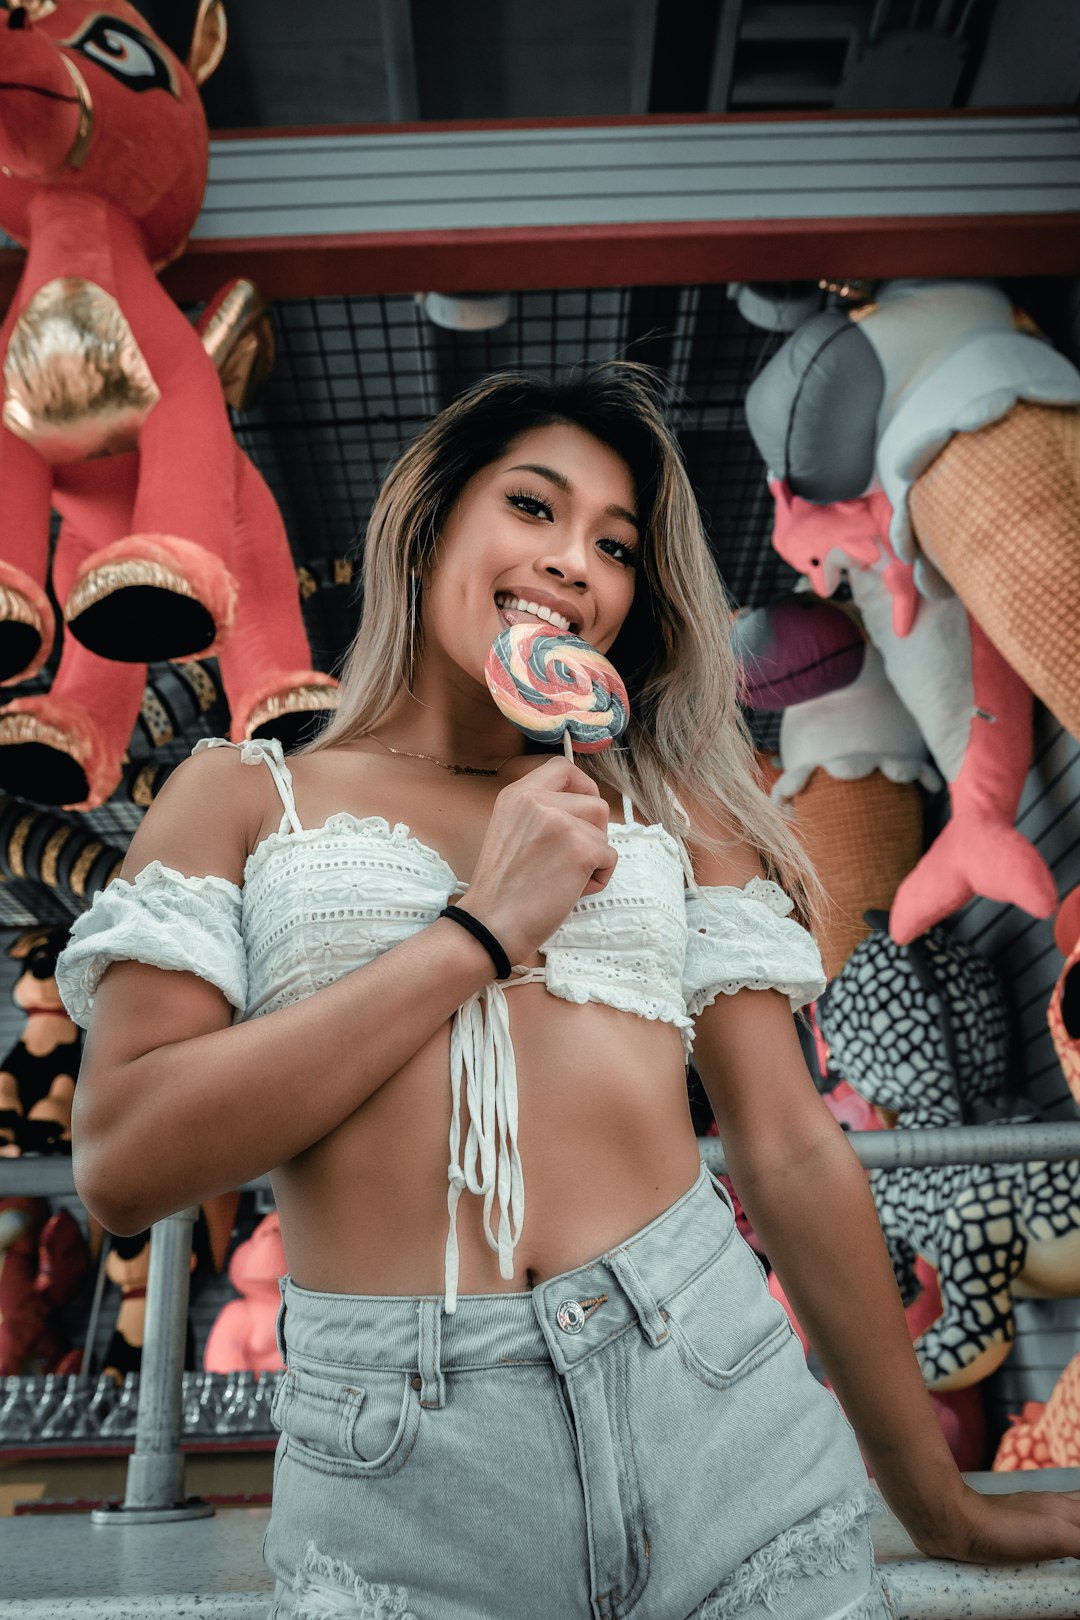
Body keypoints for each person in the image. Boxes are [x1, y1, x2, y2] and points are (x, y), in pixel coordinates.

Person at [58, 364, 1080, 1620]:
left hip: (716, 1394)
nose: (573, 562)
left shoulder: (670, 809)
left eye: (614, 543)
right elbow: (124, 1161)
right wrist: (481, 931)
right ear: (433, 524)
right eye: (533, 508)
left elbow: (788, 1144)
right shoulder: (239, 797)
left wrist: (937, 1499)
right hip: (406, 1469)